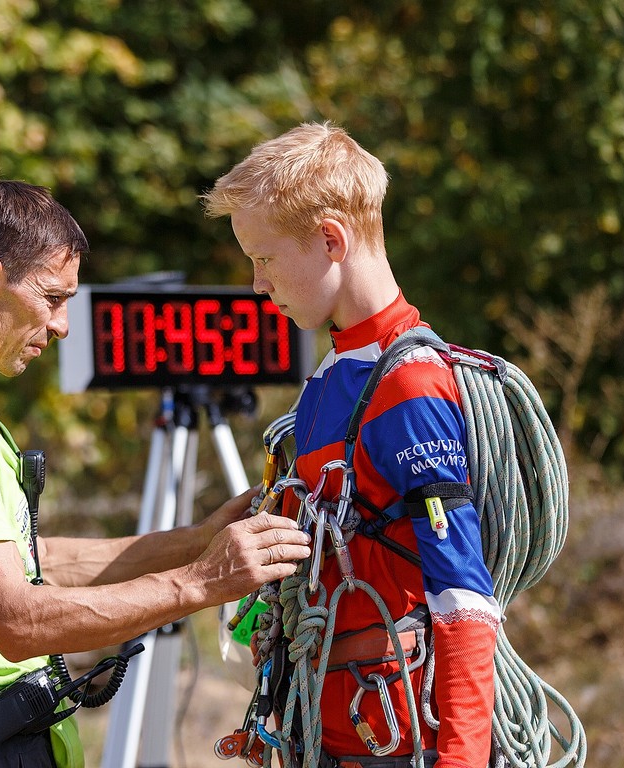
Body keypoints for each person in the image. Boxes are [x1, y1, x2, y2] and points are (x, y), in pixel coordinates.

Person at [0, 177, 311, 768]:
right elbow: (14, 617)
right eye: (51, 297)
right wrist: (199, 583)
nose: (64, 325)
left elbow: (25, 559)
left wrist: (195, 542)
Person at [201, 123, 501, 768]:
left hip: (391, 740)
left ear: (331, 240)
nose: (258, 285)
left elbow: (463, 595)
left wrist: (463, 759)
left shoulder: (410, 385)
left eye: (264, 259)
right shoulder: (331, 379)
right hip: (323, 733)